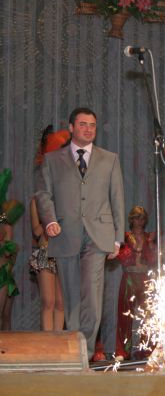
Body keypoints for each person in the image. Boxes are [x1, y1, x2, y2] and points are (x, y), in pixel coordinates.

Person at [35, 107, 125, 359]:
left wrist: (118, 238)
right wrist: (50, 221)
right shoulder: (53, 160)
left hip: (99, 235)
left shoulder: (110, 159)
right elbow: (43, 194)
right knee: (72, 296)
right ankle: (75, 350)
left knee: (93, 297)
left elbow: (117, 199)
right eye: (83, 124)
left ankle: (85, 350)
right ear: (71, 127)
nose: (88, 129)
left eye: (92, 125)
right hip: (65, 234)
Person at [29, 126, 70, 331]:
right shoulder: (37, 200)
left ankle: (59, 344)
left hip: (63, 252)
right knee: (49, 302)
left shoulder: (66, 198)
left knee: (61, 304)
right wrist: (49, 223)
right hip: (45, 253)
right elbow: (36, 231)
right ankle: (47, 344)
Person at [115, 206, 156, 360]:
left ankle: (147, 350)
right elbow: (122, 257)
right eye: (136, 218)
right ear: (131, 219)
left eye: (142, 218)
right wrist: (134, 249)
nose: (139, 221)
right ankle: (123, 351)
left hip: (144, 277)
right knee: (125, 315)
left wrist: (150, 246)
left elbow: (153, 260)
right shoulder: (125, 237)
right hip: (129, 276)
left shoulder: (149, 237)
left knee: (148, 314)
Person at [0, 169, 25, 330]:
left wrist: (7, 249)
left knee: (5, 317)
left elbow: (10, 249)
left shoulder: (4, 218)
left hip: (3, 273)